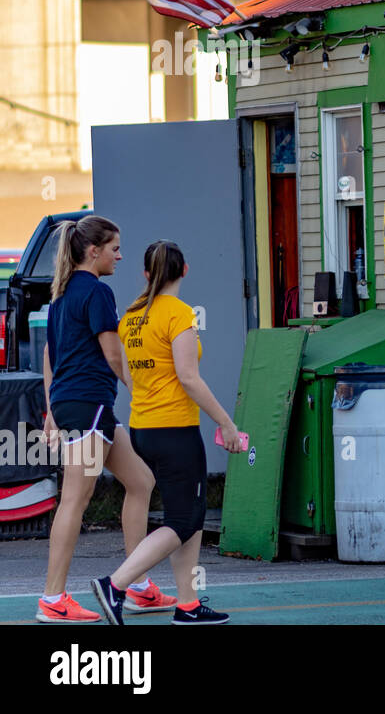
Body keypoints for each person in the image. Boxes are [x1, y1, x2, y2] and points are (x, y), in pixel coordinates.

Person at [91, 241, 239, 625]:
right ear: (184, 270)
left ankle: (187, 604)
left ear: (145, 273)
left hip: (143, 428)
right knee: (185, 518)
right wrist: (226, 422)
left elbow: (126, 370)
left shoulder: (133, 314)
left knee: (186, 515)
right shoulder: (179, 313)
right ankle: (117, 584)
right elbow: (189, 378)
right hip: (175, 429)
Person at [37, 216, 162, 623]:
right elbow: (112, 353)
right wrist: (140, 390)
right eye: (114, 249)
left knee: (141, 482)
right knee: (76, 498)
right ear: (94, 251)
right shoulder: (97, 292)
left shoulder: (62, 295)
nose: (120, 256)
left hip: (85, 408)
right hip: (88, 407)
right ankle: (53, 599)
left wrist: (53, 409)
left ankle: (137, 586)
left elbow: (49, 357)